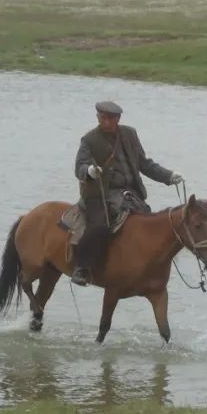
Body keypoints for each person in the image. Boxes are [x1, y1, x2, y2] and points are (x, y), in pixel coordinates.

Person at [70, 100, 183, 286]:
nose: (103, 122)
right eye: (101, 117)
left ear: (117, 119)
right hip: (101, 193)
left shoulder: (130, 134)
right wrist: (89, 171)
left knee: (147, 223)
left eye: (108, 118)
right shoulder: (89, 140)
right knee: (99, 226)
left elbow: (144, 164)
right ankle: (82, 267)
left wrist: (169, 176)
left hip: (130, 191)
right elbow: (79, 167)